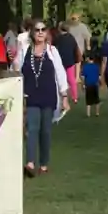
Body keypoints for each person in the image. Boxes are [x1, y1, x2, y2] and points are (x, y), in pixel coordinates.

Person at [15, 20, 69, 176]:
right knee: (32, 129)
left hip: (48, 96)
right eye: (37, 30)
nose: (40, 32)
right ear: (32, 33)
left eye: (43, 30)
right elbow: (16, 69)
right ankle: (30, 163)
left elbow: (60, 74)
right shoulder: (25, 50)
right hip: (30, 96)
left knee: (45, 131)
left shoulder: (52, 51)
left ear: (47, 33)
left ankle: (44, 164)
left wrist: (64, 96)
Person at [53, 22, 81, 104]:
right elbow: (75, 48)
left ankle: (61, 95)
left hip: (60, 61)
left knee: (59, 78)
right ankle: (75, 97)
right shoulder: (71, 37)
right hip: (70, 61)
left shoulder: (58, 38)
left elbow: (54, 47)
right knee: (71, 79)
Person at [82, 52, 101, 117]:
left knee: (88, 100)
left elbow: (83, 77)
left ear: (88, 58)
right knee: (96, 100)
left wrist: (83, 85)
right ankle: (97, 113)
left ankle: (88, 114)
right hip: (95, 85)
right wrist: (99, 83)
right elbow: (99, 76)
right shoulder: (96, 67)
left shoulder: (85, 67)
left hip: (88, 85)